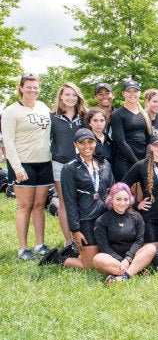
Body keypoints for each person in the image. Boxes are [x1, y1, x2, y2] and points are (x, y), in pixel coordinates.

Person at [40, 128, 114, 269]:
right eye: (82, 143)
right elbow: (70, 201)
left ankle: (75, 253)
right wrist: (75, 230)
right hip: (85, 219)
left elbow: (111, 192)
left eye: (90, 142)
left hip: (104, 218)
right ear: (75, 144)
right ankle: (56, 258)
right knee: (90, 266)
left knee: (104, 257)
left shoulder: (105, 164)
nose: (87, 146)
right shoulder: (70, 168)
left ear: (96, 143)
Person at [2, 73, 53, 260]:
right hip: (23, 164)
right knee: (25, 206)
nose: (33, 90)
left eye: (36, 87)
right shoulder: (11, 111)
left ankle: (40, 244)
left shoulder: (43, 107)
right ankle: (23, 248)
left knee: (39, 205)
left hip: (44, 162)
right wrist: (17, 167)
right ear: (21, 88)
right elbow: (8, 141)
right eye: (29, 86)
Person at [92, 182, 157, 283]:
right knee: (97, 259)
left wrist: (128, 259)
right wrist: (121, 261)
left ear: (130, 200)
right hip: (112, 259)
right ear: (111, 200)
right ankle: (136, 272)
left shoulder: (137, 217)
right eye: (118, 199)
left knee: (151, 248)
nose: (122, 203)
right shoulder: (102, 220)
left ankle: (123, 277)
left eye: (126, 199)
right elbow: (104, 247)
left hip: (133, 257)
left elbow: (139, 242)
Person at [50, 82, 88, 247]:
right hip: (60, 164)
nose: (71, 98)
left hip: (81, 164)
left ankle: (81, 236)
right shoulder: (52, 117)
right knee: (65, 201)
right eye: (67, 95)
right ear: (61, 96)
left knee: (80, 200)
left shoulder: (84, 116)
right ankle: (68, 240)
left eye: (74, 95)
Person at [109, 80, 152, 181]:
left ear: (139, 93)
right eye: (129, 91)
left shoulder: (145, 115)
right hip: (125, 162)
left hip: (143, 161)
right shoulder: (117, 115)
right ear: (123, 93)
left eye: (135, 91)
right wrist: (137, 163)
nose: (132, 94)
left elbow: (149, 139)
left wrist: (145, 160)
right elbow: (121, 143)